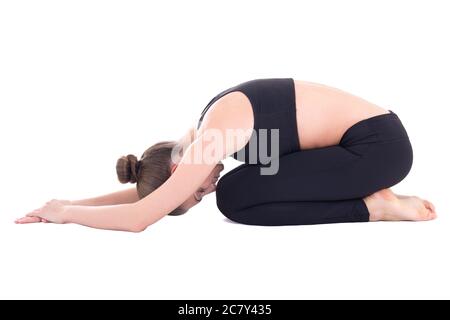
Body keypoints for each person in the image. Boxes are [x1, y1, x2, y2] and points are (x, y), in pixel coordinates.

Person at [16, 78, 436, 231]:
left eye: (194, 192)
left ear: (179, 166)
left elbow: (141, 217)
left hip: (377, 150)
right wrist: (66, 202)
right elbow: (150, 198)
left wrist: (70, 216)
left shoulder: (213, 139)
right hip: (371, 147)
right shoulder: (214, 130)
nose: (205, 190)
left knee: (235, 196)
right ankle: (372, 201)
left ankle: (374, 208)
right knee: (242, 187)